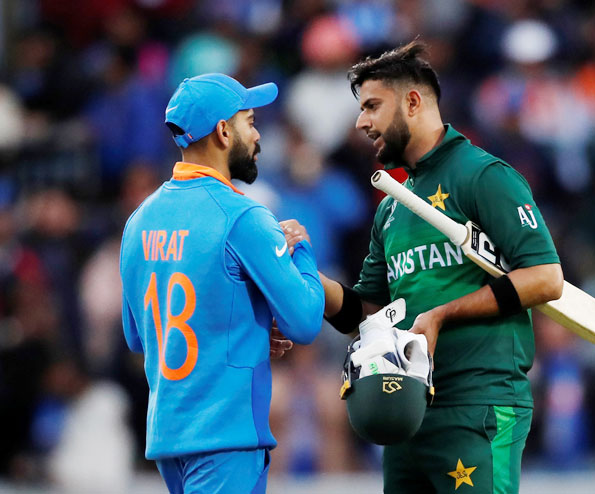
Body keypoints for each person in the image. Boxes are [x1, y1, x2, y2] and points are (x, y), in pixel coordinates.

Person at [291, 40, 564, 493]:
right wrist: (304, 279)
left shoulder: (483, 176)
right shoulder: (391, 207)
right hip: (407, 409)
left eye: (372, 106)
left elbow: (545, 277)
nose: (361, 122)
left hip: (478, 407)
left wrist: (441, 315)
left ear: (413, 102)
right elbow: (370, 312)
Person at [119, 73, 325, 494]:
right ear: (223, 131)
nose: (258, 134)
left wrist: (242, 329)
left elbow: (138, 337)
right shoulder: (243, 216)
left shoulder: (138, 221)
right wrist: (301, 248)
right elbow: (305, 322)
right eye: (250, 121)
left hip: (168, 439)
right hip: (227, 438)